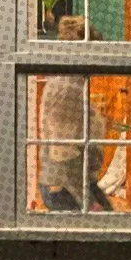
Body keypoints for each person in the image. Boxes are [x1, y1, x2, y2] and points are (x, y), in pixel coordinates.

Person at [34, 15, 113, 212]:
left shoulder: (74, 84)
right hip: (65, 187)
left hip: (77, 182)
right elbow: (63, 154)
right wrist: (87, 201)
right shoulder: (66, 88)